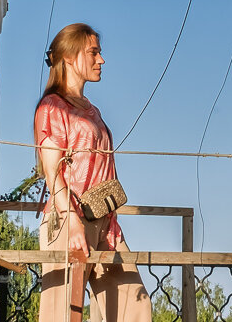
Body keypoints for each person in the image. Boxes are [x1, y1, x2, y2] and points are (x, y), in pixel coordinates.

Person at [35, 23, 150, 322]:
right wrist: (72, 223)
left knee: (134, 307)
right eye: (94, 52)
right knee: (60, 314)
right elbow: (52, 172)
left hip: (103, 219)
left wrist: (110, 220)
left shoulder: (92, 109)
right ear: (71, 57)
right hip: (68, 219)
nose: (101, 60)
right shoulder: (52, 107)